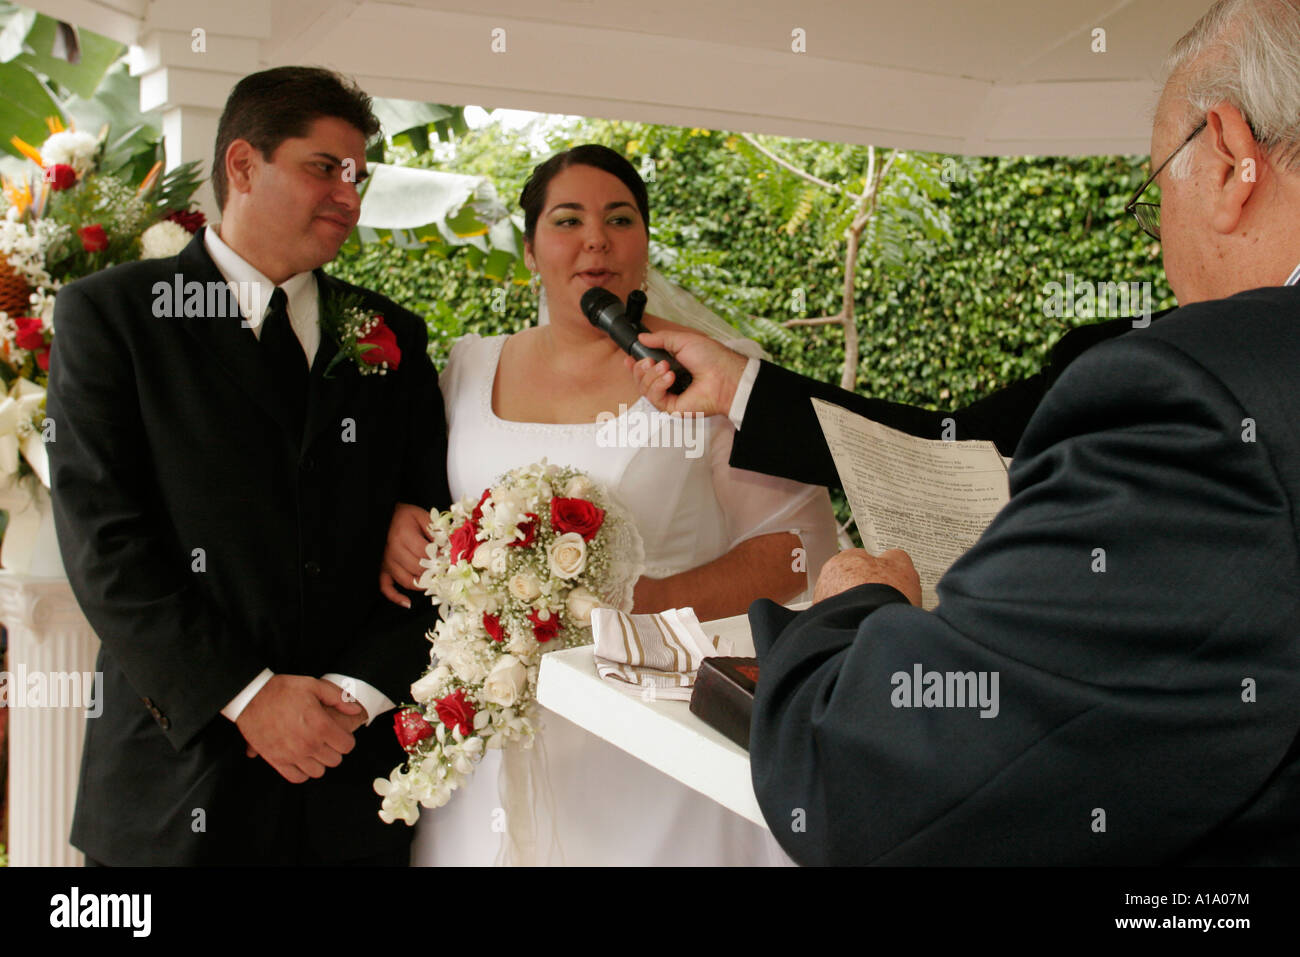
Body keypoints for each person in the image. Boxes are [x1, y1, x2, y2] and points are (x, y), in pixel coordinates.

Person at [628, 0, 1300, 865]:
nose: (1160, 246)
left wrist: (851, 608)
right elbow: (958, 449)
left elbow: (866, 781)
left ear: (1231, 157)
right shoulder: (1148, 365)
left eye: (1154, 189)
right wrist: (740, 386)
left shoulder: (1195, 389)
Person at [383, 144, 839, 865]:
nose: (596, 238)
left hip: (654, 726)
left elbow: (800, 549)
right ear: (531, 249)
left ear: (645, 244)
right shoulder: (467, 366)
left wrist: (644, 603)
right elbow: (430, 507)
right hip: (498, 720)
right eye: (568, 220)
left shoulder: (705, 376)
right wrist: (404, 529)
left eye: (619, 218)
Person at [46, 66, 449, 866]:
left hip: (349, 787)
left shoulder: (389, 336)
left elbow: (433, 550)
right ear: (242, 165)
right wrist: (250, 696)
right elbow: (106, 547)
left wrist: (353, 700)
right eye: (323, 167)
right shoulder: (112, 317)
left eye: (357, 175)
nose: (348, 194)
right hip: (173, 784)